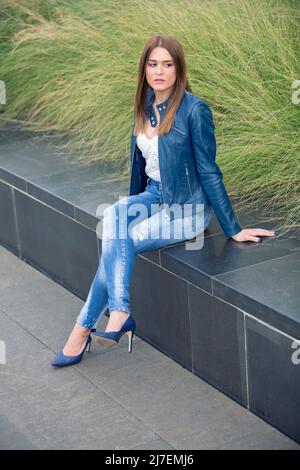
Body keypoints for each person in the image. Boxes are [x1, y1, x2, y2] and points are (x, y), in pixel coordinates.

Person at [51, 35, 275, 367]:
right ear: (144, 68)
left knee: (121, 239)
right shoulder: (143, 105)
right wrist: (133, 209)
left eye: (167, 64)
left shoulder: (194, 110)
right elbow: (144, 169)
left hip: (188, 207)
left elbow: (209, 170)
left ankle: (84, 329)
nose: (159, 71)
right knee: (114, 218)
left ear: (178, 69)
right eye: (153, 64)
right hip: (155, 196)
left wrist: (233, 227)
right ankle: (119, 312)